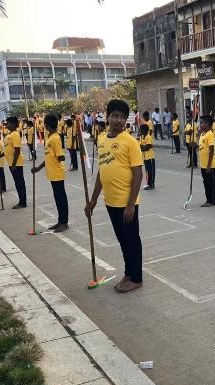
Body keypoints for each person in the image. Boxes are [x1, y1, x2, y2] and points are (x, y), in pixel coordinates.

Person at [85, 99, 143, 294]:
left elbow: (138, 175)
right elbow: (102, 171)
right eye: (115, 116)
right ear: (107, 116)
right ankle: (128, 272)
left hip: (126, 202)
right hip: (110, 202)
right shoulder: (102, 140)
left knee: (132, 240)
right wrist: (93, 200)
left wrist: (130, 205)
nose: (119, 120)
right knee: (122, 240)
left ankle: (136, 278)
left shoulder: (130, 142)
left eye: (123, 117)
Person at [31, 114, 69, 233]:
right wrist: (38, 168)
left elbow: (60, 156)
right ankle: (60, 220)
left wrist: (59, 157)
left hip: (57, 173)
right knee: (57, 198)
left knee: (61, 198)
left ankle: (64, 222)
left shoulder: (55, 138)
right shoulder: (50, 138)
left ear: (46, 125)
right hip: (52, 173)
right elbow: (49, 157)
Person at [5, 117, 27, 209]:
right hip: (12, 163)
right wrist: (1, 155)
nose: (6, 125)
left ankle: (22, 202)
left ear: (14, 124)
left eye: (8, 123)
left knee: (19, 183)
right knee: (17, 182)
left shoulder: (15, 134)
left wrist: (14, 164)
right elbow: (8, 148)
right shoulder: (10, 134)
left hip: (16, 164)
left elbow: (17, 150)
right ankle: (21, 200)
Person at [199, 115, 215, 207]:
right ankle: (208, 199)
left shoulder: (210, 134)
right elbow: (202, 148)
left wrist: (209, 166)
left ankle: (211, 201)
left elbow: (211, 149)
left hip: (210, 165)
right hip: (203, 164)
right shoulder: (202, 135)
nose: (200, 124)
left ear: (207, 124)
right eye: (200, 122)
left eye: (202, 122)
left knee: (210, 183)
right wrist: (195, 145)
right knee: (206, 182)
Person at [139, 124, 155, 190]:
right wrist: (143, 147)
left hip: (150, 157)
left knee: (151, 171)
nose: (140, 131)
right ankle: (148, 183)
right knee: (147, 171)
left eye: (141, 129)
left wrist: (143, 147)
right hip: (145, 157)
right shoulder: (142, 137)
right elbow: (140, 147)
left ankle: (151, 184)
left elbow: (147, 147)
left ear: (145, 130)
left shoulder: (148, 137)